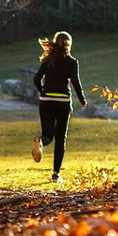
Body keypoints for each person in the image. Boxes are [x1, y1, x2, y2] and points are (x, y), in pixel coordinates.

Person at [31, 31, 86, 182]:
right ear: (69, 45)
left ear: (55, 42)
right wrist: (82, 99)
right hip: (63, 102)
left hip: (46, 100)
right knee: (60, 138)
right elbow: (75, 81)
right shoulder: (72, 62)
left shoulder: (48, 60)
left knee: (48, 134)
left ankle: (40, 142)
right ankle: (56, 174)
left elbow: (36, 78)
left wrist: (42, 90)